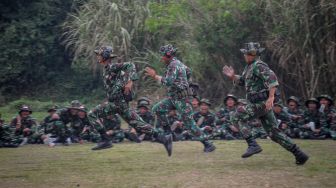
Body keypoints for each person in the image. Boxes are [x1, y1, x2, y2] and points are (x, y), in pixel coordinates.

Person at [222, 42, 309, 165]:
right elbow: (242, 81)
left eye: (248, 53)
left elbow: (272, 79)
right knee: (274, 133)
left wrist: (271, 97)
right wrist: (232, 77)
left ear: (255, 54)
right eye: (245, 53)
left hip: (261, 103)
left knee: (236, 116)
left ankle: (252, 144)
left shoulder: (259, 65)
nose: (246, 56)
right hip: (260, 104)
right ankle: (299, 154)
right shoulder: (249, 67)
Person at [88, 46, 172, 156]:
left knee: (91, 114)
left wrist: (130, 82)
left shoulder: (112, 67)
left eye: (99, 55)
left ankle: (106, 140)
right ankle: (164, 139)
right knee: (139, 125)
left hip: (116, 104)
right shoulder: (108, 69)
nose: (97, 57)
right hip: (121, 104)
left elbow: (130, 65)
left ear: (104, 56)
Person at [145, 44, 216, 152]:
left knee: (190, 125)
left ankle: (208, 144)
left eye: (163, 55)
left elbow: (168, 81)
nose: (161, 58)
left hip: (182, 100)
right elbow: (189, 72)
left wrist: (155, 76)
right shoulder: (178, 64)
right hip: (174, 98)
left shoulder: (174, 65)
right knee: (157, 109)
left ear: (168, 55)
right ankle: (168, 134)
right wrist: (182, 82)